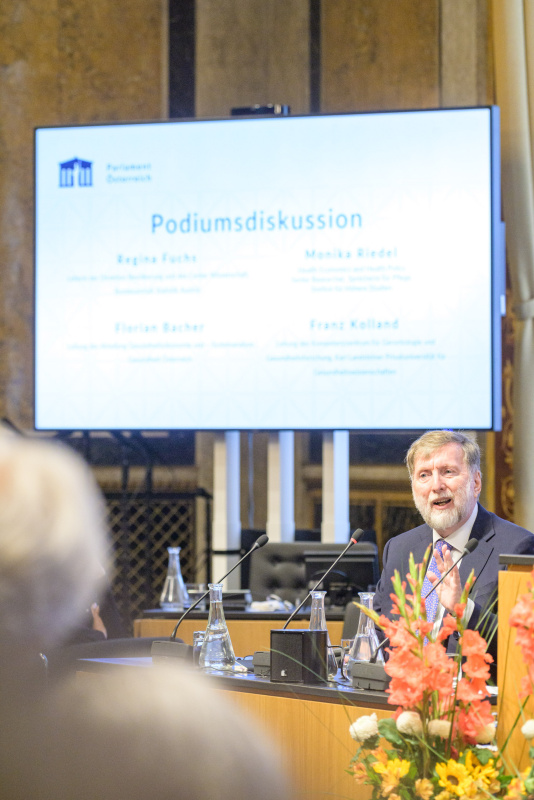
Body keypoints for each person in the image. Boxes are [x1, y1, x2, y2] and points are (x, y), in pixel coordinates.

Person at [372, 430, 534, 663]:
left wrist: (463, 609)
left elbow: (522, 644)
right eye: (424, 475)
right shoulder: (398, 548)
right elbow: (379, 633)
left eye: (448, 472)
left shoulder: (517, 547)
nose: (436, 485)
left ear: (476, 482)